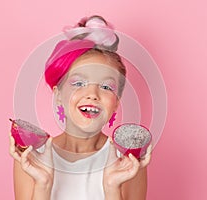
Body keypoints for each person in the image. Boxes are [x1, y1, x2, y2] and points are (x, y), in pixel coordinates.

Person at [9, 15, 152, 200]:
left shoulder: (128, 161)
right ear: (58, 95)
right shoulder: (31, 156)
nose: (92, 93)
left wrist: (111, 188)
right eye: (78, 83)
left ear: (116, 102)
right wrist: (43, 185)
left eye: (106, 86)